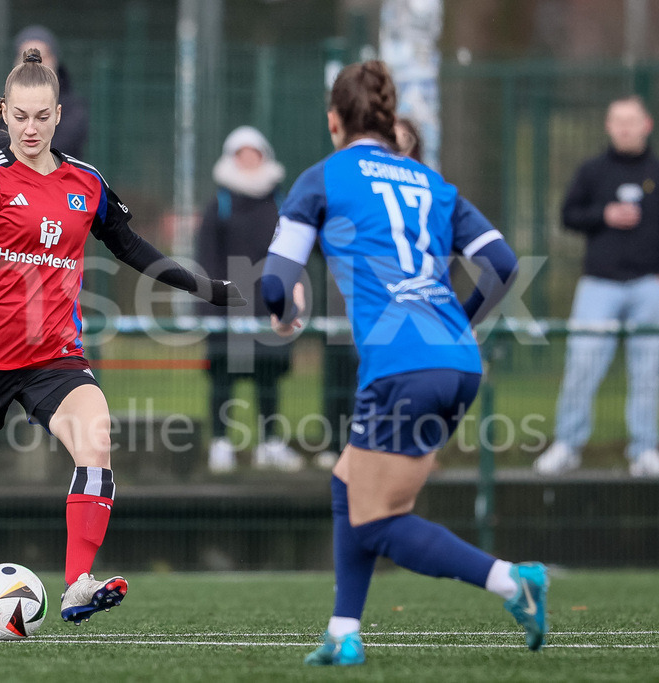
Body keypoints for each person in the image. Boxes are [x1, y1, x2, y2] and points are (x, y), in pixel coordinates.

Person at [0, 49, 244, 624]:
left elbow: (132, 248)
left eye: (42, 116)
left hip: (52, 355)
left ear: (59, 114)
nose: (31, 128)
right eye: (20, 116)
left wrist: (204, 286)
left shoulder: (85, 183)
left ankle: (77, 584)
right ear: (5, 114)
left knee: (96, 438)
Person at [261, 60, 545, 666]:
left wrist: (286, 310)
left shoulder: (323, 177)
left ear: (335, 120)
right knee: (348, 486)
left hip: (401, 368)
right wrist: (460, 321)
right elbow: (503, 263)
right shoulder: (433, 184)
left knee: (378, 522)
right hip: (453, 361)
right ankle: (343, 632)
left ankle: (509, 580)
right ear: (389, 121)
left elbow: (274, 284)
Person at [534, 96, 659, 479]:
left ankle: (644, 450)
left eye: (632, 121)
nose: (625, 128)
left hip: (650, 286)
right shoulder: (592, 171)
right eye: (618, 121)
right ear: (608, 126)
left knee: (647, 370)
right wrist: (604, 215)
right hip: (599, 285)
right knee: (583, 363)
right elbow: (568, 215)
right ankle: (568, 444)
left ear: (647, 125)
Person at [195, 125, 302, 473]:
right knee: (224, 376)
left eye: (254, 153)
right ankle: (221, 444)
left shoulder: (281, 202)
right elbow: (207, 257)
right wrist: (211, 302)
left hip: (267, 305)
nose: (248, 160)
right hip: (228, 308)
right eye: (241, 154)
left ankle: (270, 443)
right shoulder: (219, 205)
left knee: (268, 377)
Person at [0, 25, 88, 159]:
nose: (30, 131)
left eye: (43, 118)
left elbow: (66, 143)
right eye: (20, 118)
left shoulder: (75, 108)